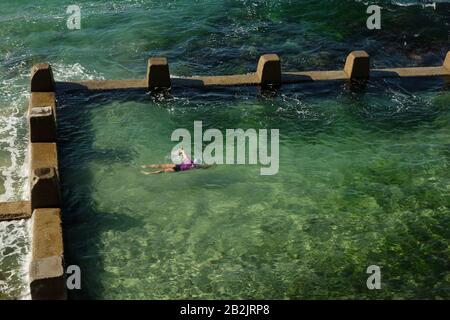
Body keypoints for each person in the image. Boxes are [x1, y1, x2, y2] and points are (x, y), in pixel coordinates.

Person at [141, 148, 211, 175]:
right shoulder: (197, 166)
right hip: (178, 169)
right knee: (162, 170)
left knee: (161, 166)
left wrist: (178, 151)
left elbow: (182, 150)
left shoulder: (188, 160)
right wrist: (210, 165)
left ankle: (146, 167)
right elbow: (205, 166)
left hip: (176, 166)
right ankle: (148, 173)